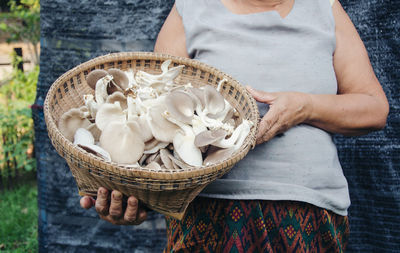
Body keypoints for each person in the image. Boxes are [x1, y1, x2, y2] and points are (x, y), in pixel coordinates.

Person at [80, 0, 389, 251]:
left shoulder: (324, 8)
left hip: (309, 212)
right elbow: (154, 116)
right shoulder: (192, 8)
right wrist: (136, 199)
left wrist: (304, 107)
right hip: (206, 216)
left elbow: (374, 108)